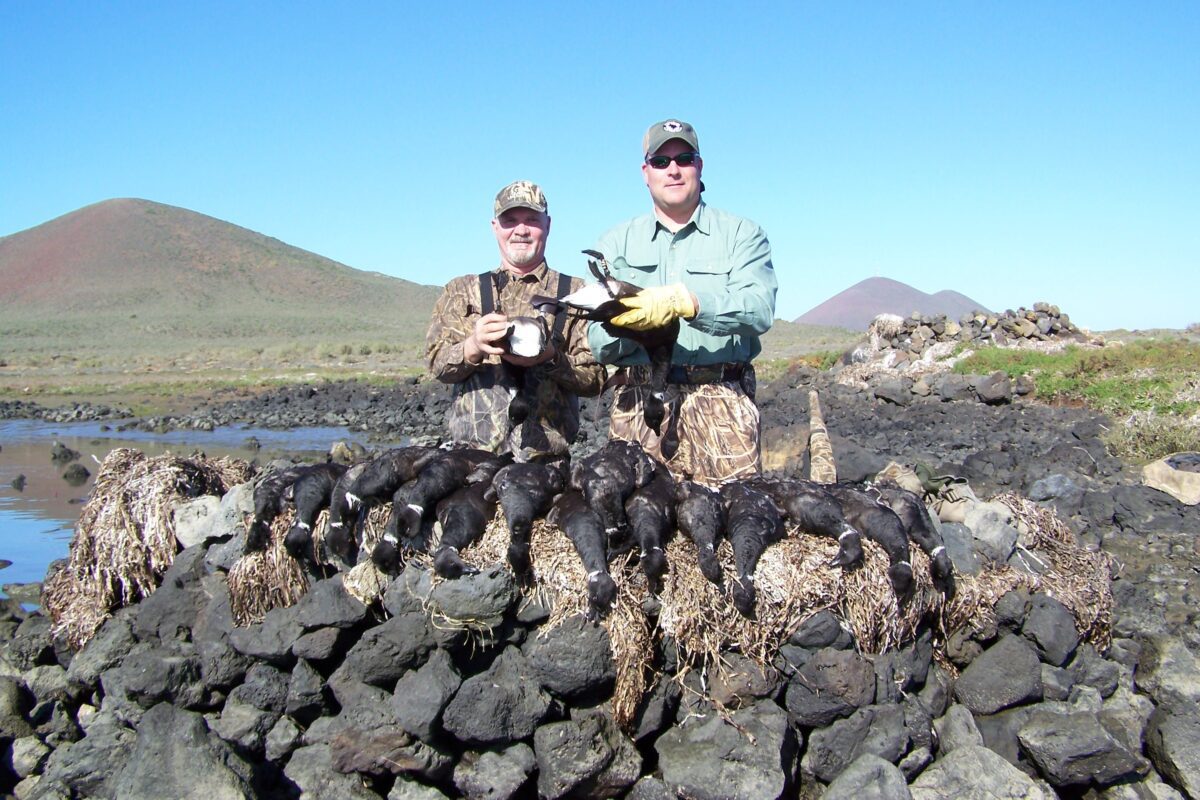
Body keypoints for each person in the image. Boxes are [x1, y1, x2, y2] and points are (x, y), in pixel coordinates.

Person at [587, 119, 777, 484]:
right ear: (646, 172)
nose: (673, 170)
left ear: (699, 166)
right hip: (638, 405)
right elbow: (597, 343)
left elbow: (760, 309)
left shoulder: (742, 234)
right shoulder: (613, 244)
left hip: (721, 402)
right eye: (661, 162)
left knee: (731, 520)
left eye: (684, 158)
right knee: (636, 522)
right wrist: (632, 325)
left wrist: (692, 302)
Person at [427, 180, 604, 459]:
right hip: (470, 463)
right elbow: (437, 365)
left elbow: (595, 380)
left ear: (548, 225)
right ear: (495, 227)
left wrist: (551, 357)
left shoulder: (577, 294)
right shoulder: (460, 291)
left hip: (546, 466)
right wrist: (472, 346)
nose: (521, 230)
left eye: (531, 220)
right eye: (510, 221)